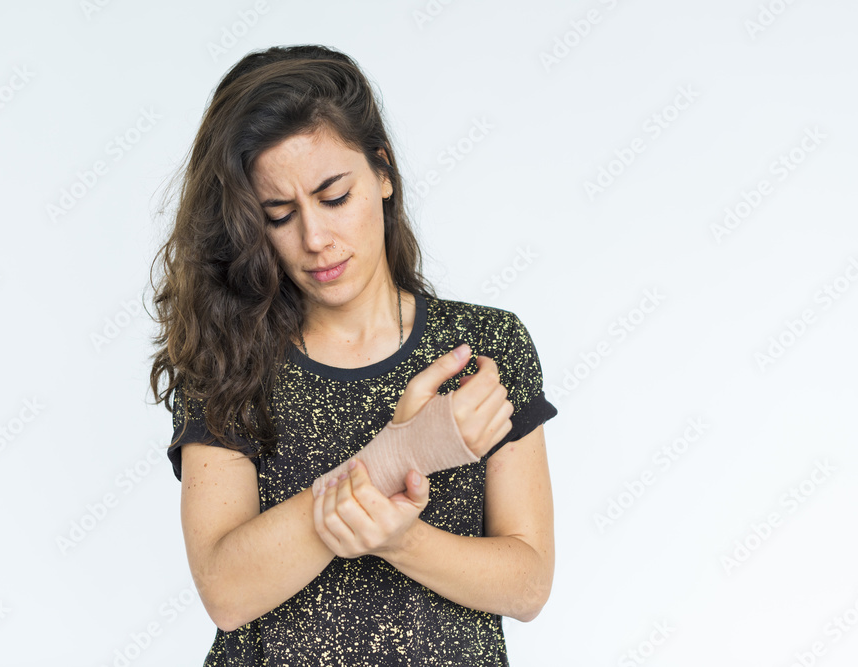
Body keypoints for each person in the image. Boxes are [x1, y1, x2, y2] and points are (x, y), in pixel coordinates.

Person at [147, 44, 558, 666]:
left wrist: (400, 538)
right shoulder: (229, 359)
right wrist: (402, 454)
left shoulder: (486, 348)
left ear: (383, 173)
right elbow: (227, 592)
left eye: (334, 196)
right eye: (279, 216)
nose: (315, 239)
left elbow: (527, 585)